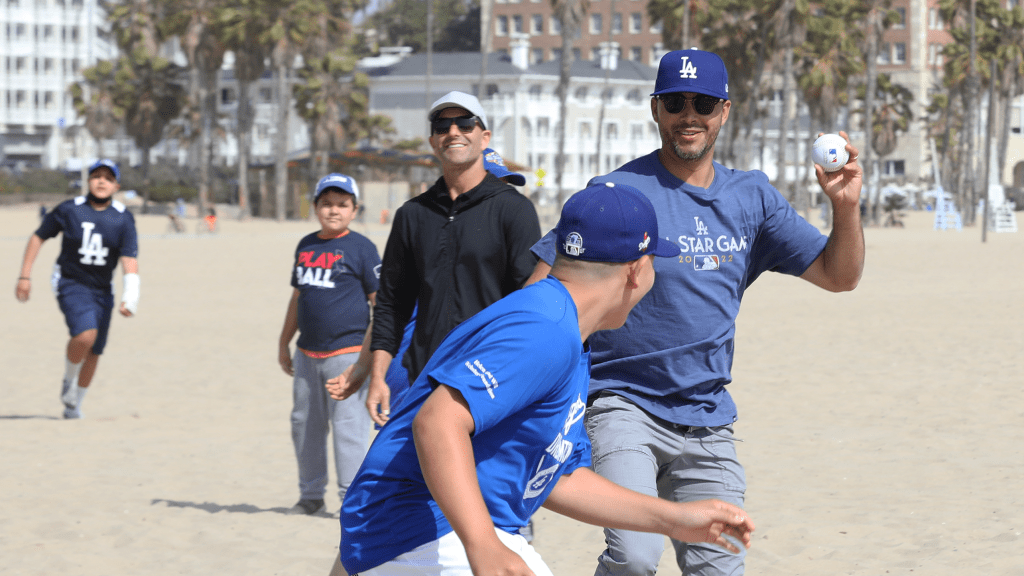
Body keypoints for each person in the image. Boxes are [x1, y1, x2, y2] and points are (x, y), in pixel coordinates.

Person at [526, 49, 865, 576]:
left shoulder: (751, 196)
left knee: (721, 565)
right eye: (676, 103)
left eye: (703, 103)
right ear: (656, 110)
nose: (690, 115)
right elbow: (541, 296)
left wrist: (845, 206)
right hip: (622, 405)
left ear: (724, 111)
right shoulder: (617, 192)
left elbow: (839, 276)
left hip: (708, 417)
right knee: (635, 555)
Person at [326, 182, 755, 576]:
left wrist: (676, 519)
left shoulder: (567, 329)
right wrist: (483, 546)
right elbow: (437, 422)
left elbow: (557, 477)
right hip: (415, 530)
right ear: (636, 270)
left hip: (439, 527)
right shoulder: (544, 327)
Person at [330, 91, 541, 428]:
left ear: (484, 137)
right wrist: (378, 377)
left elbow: (531, 304)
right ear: (433, 141)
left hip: (489, 382)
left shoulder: (514, 210)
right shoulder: (412, 215)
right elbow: (390, 305)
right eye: (443, 125)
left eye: (466, 123)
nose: (454, 132)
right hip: (421, 379)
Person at [277, 173, 381, 516]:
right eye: (326, 204)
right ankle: (310, 496)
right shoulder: (306, 244)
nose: (333, 210)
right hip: (307, 353)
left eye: (342, 204)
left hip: (347, 353)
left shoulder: (362, 248)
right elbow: (298, 296)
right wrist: (284, 340)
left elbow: (379, 304)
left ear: (354, 209)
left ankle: (351, 500)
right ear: (316, 207)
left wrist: (370, 357)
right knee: (304, 425)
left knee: (349, 429)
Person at [15, 159, 140, 419]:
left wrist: (131, 294)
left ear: (116, 185)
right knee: (85, 335)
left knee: (94, 352)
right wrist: (25, 276)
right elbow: (39, 236)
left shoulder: (123, 218)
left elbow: (129, 257)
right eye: (96, 176)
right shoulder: (70, 210)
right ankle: (68, 379)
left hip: (103, 289)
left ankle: (74, 405)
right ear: (88, 181)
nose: (101, 181)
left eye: (108, 177)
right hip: (70, 281)